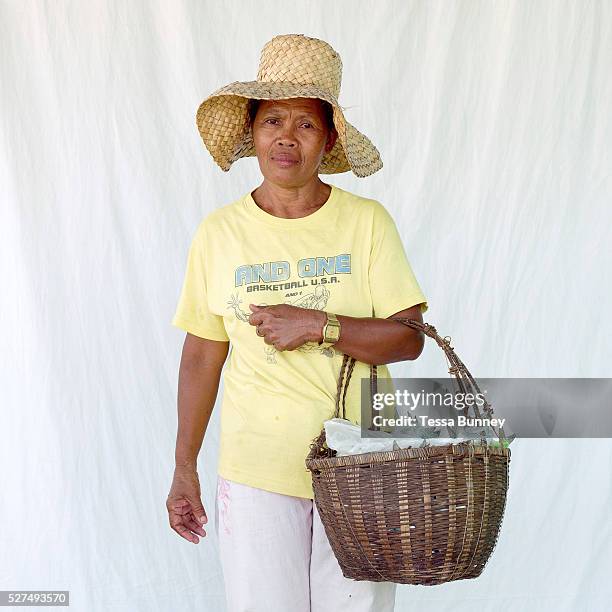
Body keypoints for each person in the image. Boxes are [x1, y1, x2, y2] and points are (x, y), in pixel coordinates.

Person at [166, 34, 429, 612]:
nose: (287, 137)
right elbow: (201, 355)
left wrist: (318, 324)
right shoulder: (219, 233)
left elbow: (409, 339)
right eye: (273, 120)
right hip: (256, 469)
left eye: (306, 124)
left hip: (362, 466)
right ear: (253, 133)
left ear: (328, 139)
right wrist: (184, 466)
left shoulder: (366, 223)